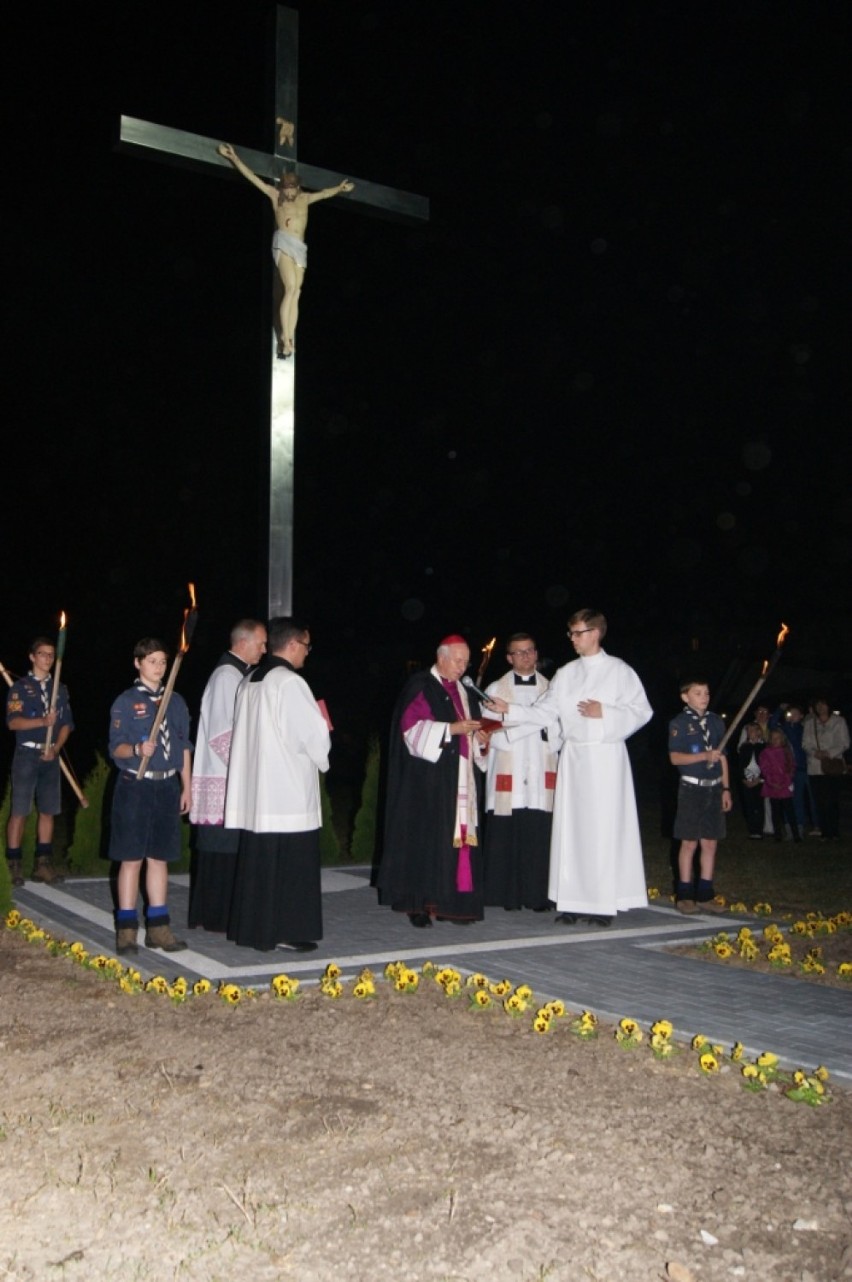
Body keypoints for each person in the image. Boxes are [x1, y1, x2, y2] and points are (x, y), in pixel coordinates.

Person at [494, 610, 652, 927]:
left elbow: (642, 711)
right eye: (571, 633)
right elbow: (545, 712)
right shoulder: (566, 673)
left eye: (578, 632)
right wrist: (509, 708)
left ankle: (602, 903)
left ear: (596, 633)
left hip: (606, 757)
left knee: (602, 830)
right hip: (575, 758)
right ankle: (573, 901)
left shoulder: (618, 671)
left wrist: (604, 712)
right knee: (572, 830)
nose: (573, 639)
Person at [224, 618, 330, 952]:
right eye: (306, 647)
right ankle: (286, 929)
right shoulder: (289, 683)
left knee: (259, 864)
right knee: (290, 867)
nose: (307, 655)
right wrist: (325, 741)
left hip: (257, 792)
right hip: (286, 795)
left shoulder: (249, 681)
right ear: (295, 644)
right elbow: (311, 737)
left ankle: (254, 929)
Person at [379, 635, 490, 927]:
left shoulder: (465, 692)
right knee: (426, 840)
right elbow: (410, 731)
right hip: (426, 781)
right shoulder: (421, 686)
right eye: (458, 660)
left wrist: (480, 738)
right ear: (441, 658)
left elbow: (472, 731)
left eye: (466, 661)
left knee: (459, 839)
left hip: (460, 776)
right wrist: (451, 729)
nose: (463, 667)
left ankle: (452, 904)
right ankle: (420, 905)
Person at [217, 143, 354, 358]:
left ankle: (289, 337)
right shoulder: (275, 195)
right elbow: (253, 178)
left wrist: (340, 188)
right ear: (282, 187)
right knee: (290, 287)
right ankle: (284, 337)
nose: (288, 191)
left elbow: (325, 194)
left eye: (292, 188)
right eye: (286, 187)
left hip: (300, 247)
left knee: (297, 292)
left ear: (297, 187)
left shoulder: (305, 198)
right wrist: (234, 158)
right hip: (283, 241)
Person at [108, 638, 193, 954]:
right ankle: (127, 930)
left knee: (159, 858)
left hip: (167, 785)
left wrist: (188, 786)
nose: (158, 667)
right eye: (152, 661)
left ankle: (158, 928)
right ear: (138, 663)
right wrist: (135, 749)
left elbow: (184, 747)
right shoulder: (126, 702)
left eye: (162, 661)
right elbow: (115, 747)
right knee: (131, 859)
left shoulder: (176, 702)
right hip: (135, 784)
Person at [188, 618, 267, 931]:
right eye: (260, 643)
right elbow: (222, 735)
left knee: (228, 849)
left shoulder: (239, 675)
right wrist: (251, 769)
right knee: (220, 850)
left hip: (232, 778)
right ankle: (214, 916)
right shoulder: (226, 676)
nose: (264, 649)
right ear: (243, 643)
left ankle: (221, 913)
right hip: (223, 779)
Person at [482, 633, 560, 912]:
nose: (525, 656)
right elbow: (489, 734)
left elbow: (560, 733)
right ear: (509, 658)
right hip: (508, 771)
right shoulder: (494, 690)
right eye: (519, 652)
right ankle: (506, 896)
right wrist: (533, 722)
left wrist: (515, 722)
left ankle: (539, 895)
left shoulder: (553, 690)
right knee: (508, 832)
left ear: (537, 654)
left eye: (530, 651)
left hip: (542, 769)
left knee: (540, 833)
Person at [5, 636, 74, 887]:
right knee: (20, 811)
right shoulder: (20, 688)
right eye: (42, 654)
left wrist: (56, 748)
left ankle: (42, 864)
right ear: (32, 657)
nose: (47, 659)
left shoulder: (60, 689)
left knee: (48, 811)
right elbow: (13, 722)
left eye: (51, 655)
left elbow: (66, 724)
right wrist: (42, 722)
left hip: (50, 756)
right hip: (26, 754)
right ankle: (13, 864)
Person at [668, 679, 731, 913]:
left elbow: (722, 757)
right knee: (689, 842)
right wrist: (704, 756)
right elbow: (675, 758)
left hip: (714, 789)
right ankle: (684, 894)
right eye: (698, 693)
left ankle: (705, 894)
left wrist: (726, 788)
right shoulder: (679, 723)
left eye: (706, 692)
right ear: (686, 697)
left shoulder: (715, 722)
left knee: (710, 842)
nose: (704, 697)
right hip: (692, 789)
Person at [803, 698, 849, 841]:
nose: (821, 707)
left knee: (832, 800)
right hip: (815, 767)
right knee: (820, 800)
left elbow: (844, 743)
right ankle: (824, 831)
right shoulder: (810, 723)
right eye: (818, 705)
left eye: (823, 704)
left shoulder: (839, 721)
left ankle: (834, 831)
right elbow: (805, 743)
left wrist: (828, 753)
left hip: (832, 766)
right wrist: (815, 752)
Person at [759, 727, 801, 843]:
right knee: (775, 811)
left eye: (778, 738)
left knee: (789, 810)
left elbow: (791, 767)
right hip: (772, 786)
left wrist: (785, 782)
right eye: (773, 738)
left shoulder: (787, 752)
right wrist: (772, 782)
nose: (775, 740)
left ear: (782, 739)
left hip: (785, 785)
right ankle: (778, 834)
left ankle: (795, 834)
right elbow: (764, 768)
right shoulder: (766, 753)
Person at [737, 721, 765, 839]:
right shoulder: (744, 747)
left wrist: (760, 779)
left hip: (759, 780)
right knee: (749, 805)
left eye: (753, 730)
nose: (750, 733)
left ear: (759, 732)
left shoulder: (763, 746)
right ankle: (752, 829)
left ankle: (759, 829)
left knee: (759, 805)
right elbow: (740, 765)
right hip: (747, 780)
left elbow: (766, 765)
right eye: (748, 731)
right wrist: (743, 779)